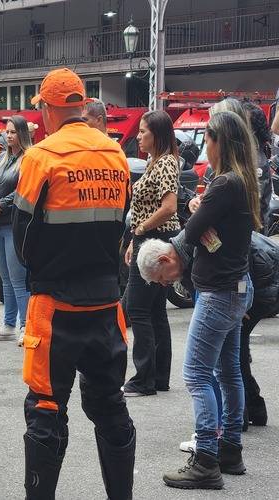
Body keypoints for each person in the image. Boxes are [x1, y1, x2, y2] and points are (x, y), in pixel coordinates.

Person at [11, 68, 134, 500]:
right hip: (105, 303)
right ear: (82, 107)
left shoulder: (40, 157)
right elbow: (122, 227)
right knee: (110, 405)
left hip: (54, 305)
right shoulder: (115, 155)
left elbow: (22, 237)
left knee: (45, 409)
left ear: (47, 109)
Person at [160, 110, 260, 490]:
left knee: (197, 373)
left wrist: (162, 258)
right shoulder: (243, 180)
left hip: (219, 290)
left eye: (209, 139)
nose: (206, 146)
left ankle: (205, 459)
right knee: (227, 370)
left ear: (219, 142)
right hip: (236, 285)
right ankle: (229, 449)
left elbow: (193, 232)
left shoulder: (223, 185)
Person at [137, 229, 277, 432]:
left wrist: (244, 300)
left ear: (165, 259)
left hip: (259, 278)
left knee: (210, 367)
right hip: (250, 283)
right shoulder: (184, 261)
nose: (163, 284)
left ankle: (227, 427)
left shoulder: (193, 241)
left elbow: (239, 257)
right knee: (231, 359)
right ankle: (246, 414)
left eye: (160, 277)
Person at [122, 110, 180, 397]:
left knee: (138, 308)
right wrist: (136, 237)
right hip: (149, 237)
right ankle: (158, 377)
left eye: (143, 131)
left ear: (156, 134)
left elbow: (169, 207)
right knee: (155, 309)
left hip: (156, 237)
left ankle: (144, 379)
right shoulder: (154, 161)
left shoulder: (166, 162)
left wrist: (142, 230)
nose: (138, 136)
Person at [0, 115, 32, 344]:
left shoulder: (29, 159)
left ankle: (26, 326)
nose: (8, 135)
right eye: (7, 132)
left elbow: (24, 189)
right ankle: (9, 324)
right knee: (5, 277)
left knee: (18, 278)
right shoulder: (0, 158)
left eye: (13, 132)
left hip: (15, 224)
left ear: (21, 134)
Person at [241, 100, 274, 233]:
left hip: (253, 235)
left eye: (243, 122)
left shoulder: (256, 160)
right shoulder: (250, 154)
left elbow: (253, 204)